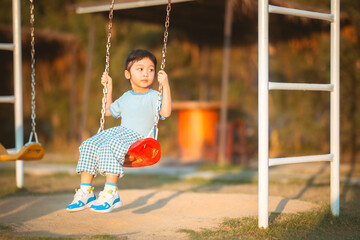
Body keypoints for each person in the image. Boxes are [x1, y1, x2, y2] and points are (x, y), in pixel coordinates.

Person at [66, 49, 172, 213]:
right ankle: (86, 192)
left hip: (140, 140)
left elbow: (165, 113)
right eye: (140, 69)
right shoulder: (126, 96)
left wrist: (165, 85)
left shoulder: (154, 96)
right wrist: (109, 86)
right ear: (128, 74)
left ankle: (111, 193)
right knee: (89, 144)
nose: (146, 73)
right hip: (121, 132)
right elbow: (108, 111)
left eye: (151, 69)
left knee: (111, 144)